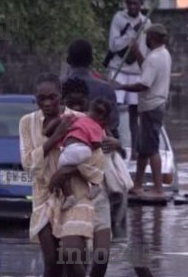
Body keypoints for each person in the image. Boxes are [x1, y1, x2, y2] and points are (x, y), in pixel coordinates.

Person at [19, 73, 105, 277]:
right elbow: (29, 164)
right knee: (52, 264)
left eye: (52, 97)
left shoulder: (81, 119)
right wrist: (55, 137)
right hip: (44, 196)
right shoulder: (27, 123)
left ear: (61, 97)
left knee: (72, 256)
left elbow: (97, 160)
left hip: (76, 195)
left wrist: (68, 170)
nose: (47, 103)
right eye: (42, 98)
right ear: (35, 99)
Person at [59, 77, 121, 277]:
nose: (77, 107)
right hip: (72, 198)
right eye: (71, 103)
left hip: (98, 197)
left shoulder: (98, 124)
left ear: (88, 101)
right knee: (71, 255)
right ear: (64, 102)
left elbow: (114, 152)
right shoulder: (63, 124)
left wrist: (116, 144)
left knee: (102, 254)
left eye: (81, 103)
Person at [113, 24, 171, 199]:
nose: (144, 39)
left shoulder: (156, 58)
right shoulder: (162, 54)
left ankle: (158, 189)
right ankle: (137, 185)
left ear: (152, 38)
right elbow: (146, 68)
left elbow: (143, 84)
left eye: (147, 37)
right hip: (151, 106)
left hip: (152, 107)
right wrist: (137, 51)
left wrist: (120, 86)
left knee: (152, 149)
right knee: (143, 148)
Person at [105, 0, 151, 160]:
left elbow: (146, 50)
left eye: (136, 3)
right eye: (130, 3)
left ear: (141, 4)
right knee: (112, 109)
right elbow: (113, 46)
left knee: (134, 113)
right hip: (118, 69)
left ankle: (134, 152)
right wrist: (131, 33)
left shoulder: (147, 22)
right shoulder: (119, 19)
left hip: (136, 72)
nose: (132, 6)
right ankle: (113, 146)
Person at [43, 95, 111, 210]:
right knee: (68, 171)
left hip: (75, 149)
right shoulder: (94, 125)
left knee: (60, 171)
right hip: (82, 150)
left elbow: (58, 120)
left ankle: (63, 194)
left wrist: (47, 130)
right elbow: (97, 143)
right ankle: (93, 185)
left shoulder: (79, 119)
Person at [65, 39, 120, 139]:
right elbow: (113, 123)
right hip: (98, 144)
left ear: (68, 60)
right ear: (91, 60)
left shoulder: (56, 87)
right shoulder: (106, 89)